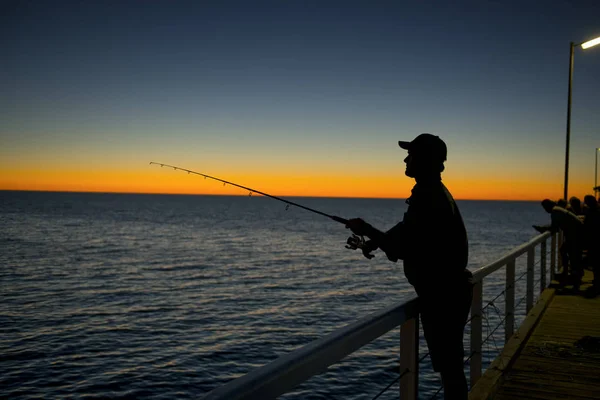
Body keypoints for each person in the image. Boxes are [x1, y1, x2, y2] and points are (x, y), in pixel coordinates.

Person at [345, 133, 472, 400]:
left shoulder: (428, 196)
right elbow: (409, 231)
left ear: (424, 160)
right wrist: (378, 242)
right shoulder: (431, 191)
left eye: (411, 154)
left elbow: (405, 247)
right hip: (448, 293)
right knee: (451, 369)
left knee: (450, 371)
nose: (406, 158)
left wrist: (366, 229)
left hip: (443, 297)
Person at [533, 199, 584, 290]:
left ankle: (574, 280)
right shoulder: (558, 209)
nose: (545, 210)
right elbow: (556, 226)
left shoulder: (555, 212)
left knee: (571, 255)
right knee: (567, 252)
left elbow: (554, 229)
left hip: (576, 234)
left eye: (545, 207)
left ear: (548, 206)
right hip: (577, 233)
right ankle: (570, 275)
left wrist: (542, 229)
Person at [583, 195, 600, 295]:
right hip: (595, 240)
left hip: (594, 241)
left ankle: (597, 285)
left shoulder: (592, 213)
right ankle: (596, 283)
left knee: (596, 263)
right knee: (596, 263)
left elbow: (588, 226)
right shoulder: (596, 211)